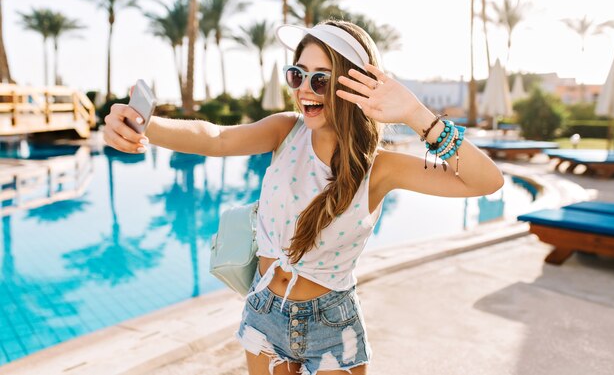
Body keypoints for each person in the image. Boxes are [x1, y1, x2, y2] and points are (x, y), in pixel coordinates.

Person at [103, 20, 504, 375]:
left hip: (332, 326)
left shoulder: (381, 169)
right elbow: (217, 138)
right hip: (263, 312)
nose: (305, 90)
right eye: (298, 74)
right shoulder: (285, 130)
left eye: (321, 79)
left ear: (355, 85)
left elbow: (484, 181)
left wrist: (416, 114)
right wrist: (145, 125)